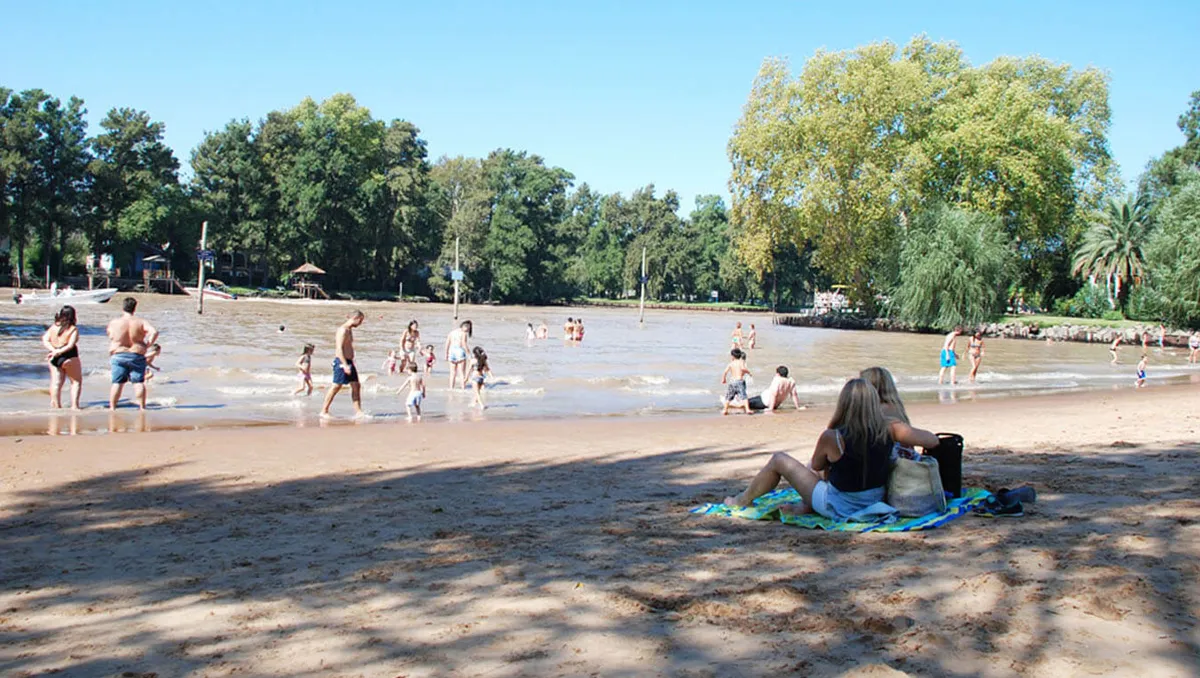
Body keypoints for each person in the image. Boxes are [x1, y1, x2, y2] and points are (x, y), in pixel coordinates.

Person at [723, 378, 941, 521]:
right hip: (877, 499)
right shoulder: (891, 427)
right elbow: (932, 440)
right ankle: (804, 506)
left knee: (780, 460)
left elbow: (817, 467)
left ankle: (743, 500)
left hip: (840, 506)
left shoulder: (834, 436)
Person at [106, 297, 158, 411]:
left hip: (119, 354)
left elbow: (110, 335)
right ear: (135, 308)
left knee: (117, 383)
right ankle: (142, 407)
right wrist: (148, 345)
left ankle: (112, 407)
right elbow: (154, 332)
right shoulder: (141, 322)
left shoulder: (115, 322)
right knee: (138, 382)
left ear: (123, 308)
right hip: (136, 354)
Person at [320, 310, 366, 418]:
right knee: (336, 385)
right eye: (361, 321)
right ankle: (324, 410)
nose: (361, 323)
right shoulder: (343, 330)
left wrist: (350, 362)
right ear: (356, 318)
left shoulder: (349, 330)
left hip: (349, 361)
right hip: (341, 361)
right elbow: (339, 349)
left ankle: (358, 411)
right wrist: (345, 364)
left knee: (356, 385)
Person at [41, 305, 82, 410]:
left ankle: (56, 406)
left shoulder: (53, 327)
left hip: (54, 356)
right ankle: (75, 406)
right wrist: (59, 351)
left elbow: (45, 339)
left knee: (56, 383)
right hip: (69, 356)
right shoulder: (73, 329)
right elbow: (70, 345)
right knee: (76, 382)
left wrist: (54, 350)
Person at [721, 348, 752, 415]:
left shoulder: (731, 363)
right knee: (744, 396)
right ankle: (748, 409)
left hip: (732, 381)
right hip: (739, 381)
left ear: (732, 356)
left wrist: (724, 379)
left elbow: (725, 372)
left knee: (728, 396)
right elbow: (743, 369)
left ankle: (725, 410)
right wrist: (749, 372)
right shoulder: (741, 362)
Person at [444, 320, 473, 389]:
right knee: (461, 372)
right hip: (459, 351)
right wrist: (469, 354)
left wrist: (446, 353)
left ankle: (451, 388)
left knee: (452, 373)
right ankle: (463, 388)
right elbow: (463, 344)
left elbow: (447, 343)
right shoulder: (463, 333)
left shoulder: (452, 332)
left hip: (452, 351)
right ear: (465, 327)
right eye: (468, 329)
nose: (467, 330)